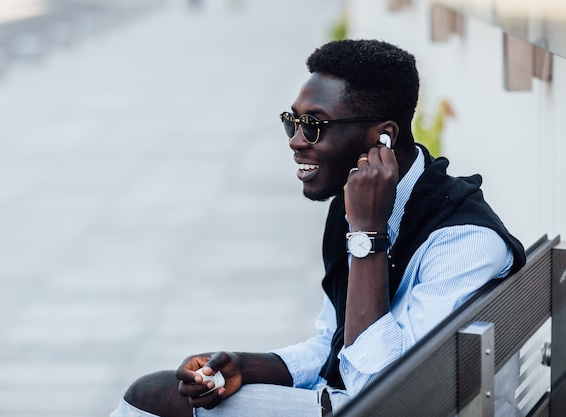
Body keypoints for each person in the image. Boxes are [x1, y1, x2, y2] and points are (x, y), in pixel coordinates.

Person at [110, 39, 526, 417]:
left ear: (382, 138)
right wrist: (247, 365)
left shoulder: (464, 242)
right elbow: (334, 342)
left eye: (314, 125)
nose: (295, 141)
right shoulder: (351, 205)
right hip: (357, 401)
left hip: (393, 405)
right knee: (166, 395)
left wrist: (367, 237)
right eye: (292, 122)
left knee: (151, 397)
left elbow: (381, 392)